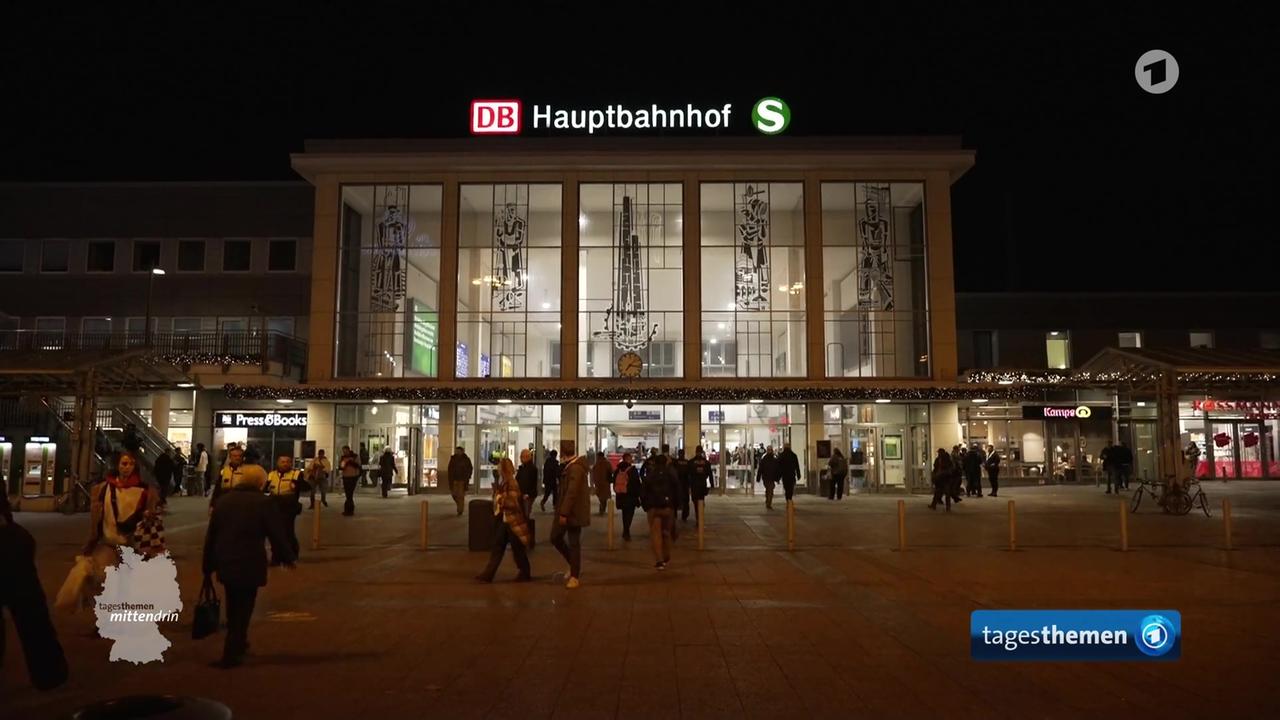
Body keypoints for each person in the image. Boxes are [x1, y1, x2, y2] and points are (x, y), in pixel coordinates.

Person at [201, 463, 295, 669]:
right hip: (250, 561)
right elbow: (276, 533)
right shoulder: (264, 503)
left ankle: (238, 643)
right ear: (260, 482)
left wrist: (207, 564)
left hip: (226, 560)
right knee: (244, 607)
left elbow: (212, 535)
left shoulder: (224, 501)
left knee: (233, 603)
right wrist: (287, 556)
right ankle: (232, 651)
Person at [0, 494, 69, 690]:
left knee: (30, 614)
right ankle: (50, 672)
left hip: (8, 547)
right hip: (12, 543)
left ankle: (50, 672)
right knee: (31, 614)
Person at [83, 452, 162, 592]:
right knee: (102, 578)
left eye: (131, 464)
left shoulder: (144, 491)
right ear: (117, 466)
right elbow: (96, 517)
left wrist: (149, 515)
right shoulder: (103, 489)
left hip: (133, 545)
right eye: (124, 463)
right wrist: (92, 539)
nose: (127, 467)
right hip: (109, 543)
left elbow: (153, 515)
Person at [475, 457, 532, 583]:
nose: (498, 469)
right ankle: (488, 574)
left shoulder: (511, 482)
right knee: (498, 547)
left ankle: (525, 572)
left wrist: (500, 499)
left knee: (517, 549)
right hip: (505, 520)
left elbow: (513, 503)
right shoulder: (504, 482)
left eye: (500, 467)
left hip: (513, 521)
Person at [551, 451, 590, 588]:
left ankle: (575, 575)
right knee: (556, 537)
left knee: (573, 542)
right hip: (567, 511)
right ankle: (574, 566)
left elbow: (572, 492)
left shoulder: (575, 469)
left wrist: (564, 512)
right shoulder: (571, 468)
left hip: (573, 513)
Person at [641, 449, 678, 570]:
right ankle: (666, 555)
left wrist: (646, 506)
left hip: (653, 507)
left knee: (655, 533)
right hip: (668, 507)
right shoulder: (671, 473)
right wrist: (676, 505)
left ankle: (659, 560)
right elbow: (678, 489)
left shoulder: (650, 474)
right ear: (666, 462)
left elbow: (644, 491)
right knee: (666, 532)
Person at [264, 454, 304, 563]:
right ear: (278, 463)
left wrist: (297, 485)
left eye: (287, 462)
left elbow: (305, 487)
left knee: (288, 531)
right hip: (274, 506)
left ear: (291, 463)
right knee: (274, 532)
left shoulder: (296, 474)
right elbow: (264, 488)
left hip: (289, 506)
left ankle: (291, 555)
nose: (285, 464)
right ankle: (276, 556)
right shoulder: (271, 475)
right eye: (282, 461)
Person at [613, 452, 642, 541]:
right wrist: (639, 495)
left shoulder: (618, 469)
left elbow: (614, 480)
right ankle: (626, 531)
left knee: (624, 514)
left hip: (621, 495)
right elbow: (636, 483)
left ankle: (626, 530)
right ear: (628, 459)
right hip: (630, 495)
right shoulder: (632, 470)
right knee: (629, 514)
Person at [447, 447, 473, 517]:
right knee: (454, 494)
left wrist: (468, 476)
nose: (456, 452)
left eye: (458, 451)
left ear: (462, 451)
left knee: (461, 496)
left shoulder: (466, 459)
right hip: (454, 480)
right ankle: (459, 504)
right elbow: (450, 469)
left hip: (462, 480)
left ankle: (460, 510)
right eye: (456, 451)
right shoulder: (453, 459)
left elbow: (470, 468)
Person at [689, 446, 712, 523]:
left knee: (696, 502)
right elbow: (709, 474)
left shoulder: (691, 462)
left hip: (694, 485)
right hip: (702, 484)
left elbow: (689, 474)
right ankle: (699, 517)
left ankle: (698, 517)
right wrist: (712, 484)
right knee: (701, 501)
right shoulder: (706, 462)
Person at [516, 448, 539, 518]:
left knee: (525, 514)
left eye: (521, 457)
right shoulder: (522, 468)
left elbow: (531, 483)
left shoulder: (532, 469)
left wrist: (527, 494)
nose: (520, 458)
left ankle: (526, 527)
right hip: (522, 494)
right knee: (522, 513)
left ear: (526, 457)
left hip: (527, 496)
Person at [339, 446, 361, 516]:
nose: (345, 453)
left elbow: (358, 465)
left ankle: (349, 509)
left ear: (349, 450)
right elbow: (341, 467)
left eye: (346, 451)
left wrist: (350, 462)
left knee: (350, 494)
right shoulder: (343, 458)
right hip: (346, 476)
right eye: (343, 451)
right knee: (348, 494)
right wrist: (344, 464)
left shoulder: (355, 456)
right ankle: (348, 509)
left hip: (353, 477)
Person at [672, 448, 691, 522]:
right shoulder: (687, 462)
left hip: (677, 484)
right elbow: (689, 474)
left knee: (675, 500)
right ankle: (684, 516)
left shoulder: (675, 462)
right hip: (684, 484)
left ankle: (675, 515)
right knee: (685, 501)